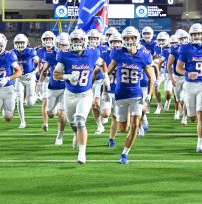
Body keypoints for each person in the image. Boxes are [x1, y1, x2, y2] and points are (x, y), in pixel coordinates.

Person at [53, 29, 103, 164]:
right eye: (74, 40)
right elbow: (55, 74)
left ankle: (82, 153)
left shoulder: (92, 53)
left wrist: (106, 77)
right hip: (69, 94)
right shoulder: (65, 55)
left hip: (85, 94)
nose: (77, 43)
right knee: (73, 123)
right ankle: (75, 134)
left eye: (79, 40)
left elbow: (102, 63)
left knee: (80, 121)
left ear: (84, 41)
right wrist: (67, 76)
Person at [106, 26, 155, 164]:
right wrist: (104, 89)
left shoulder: (144, 54)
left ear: (137, 38)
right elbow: (107, 72)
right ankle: (127, 115)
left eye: (132, 37)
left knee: (134, 125)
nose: (129, 40)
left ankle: (125, 154)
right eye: (126, 38)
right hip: (121, 94)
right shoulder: (118, 53)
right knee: (123, 128)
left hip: (136, 95)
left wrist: (149, 94)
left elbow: (152, 77)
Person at [176, 23, 202, 153]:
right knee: (192, 117)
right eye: (194, 34)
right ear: (190, 35)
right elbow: (178, 68)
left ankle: (200, 143)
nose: (197, 36)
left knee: (201, 115)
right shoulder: (185, 48)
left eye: (199, 34)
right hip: (189, 86)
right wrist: (187, 73)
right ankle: (193, 119)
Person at [38, 32, 68, 144]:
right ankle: (53, 111)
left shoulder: (72, 55)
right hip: (52, 87)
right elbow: (45, 70)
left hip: (66, 88)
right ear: (56, 44)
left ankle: (59, 136)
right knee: (50, 113)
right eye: (60, 44)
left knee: (62, 113)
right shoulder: (51, 55)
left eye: (65, 45)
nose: (62, 47)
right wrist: (39, 83)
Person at [13, 34, 40, 129]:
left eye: (21, 42)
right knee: (19, 100)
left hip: (30, 77)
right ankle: (22, 122)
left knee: (29, 103)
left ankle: (36, 96)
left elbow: (39, 63)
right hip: (19, 78)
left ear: (26, 43)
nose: (20, 45)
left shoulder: (30, 51)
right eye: (18, 43)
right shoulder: (12, 53)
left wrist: (33, 73)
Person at [0, 34, 23, 122]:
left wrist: (8, 79)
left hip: (8, 89)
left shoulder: (9, 55)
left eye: (0, 45)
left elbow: (19, 71)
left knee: (8, 117)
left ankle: (6, 108)